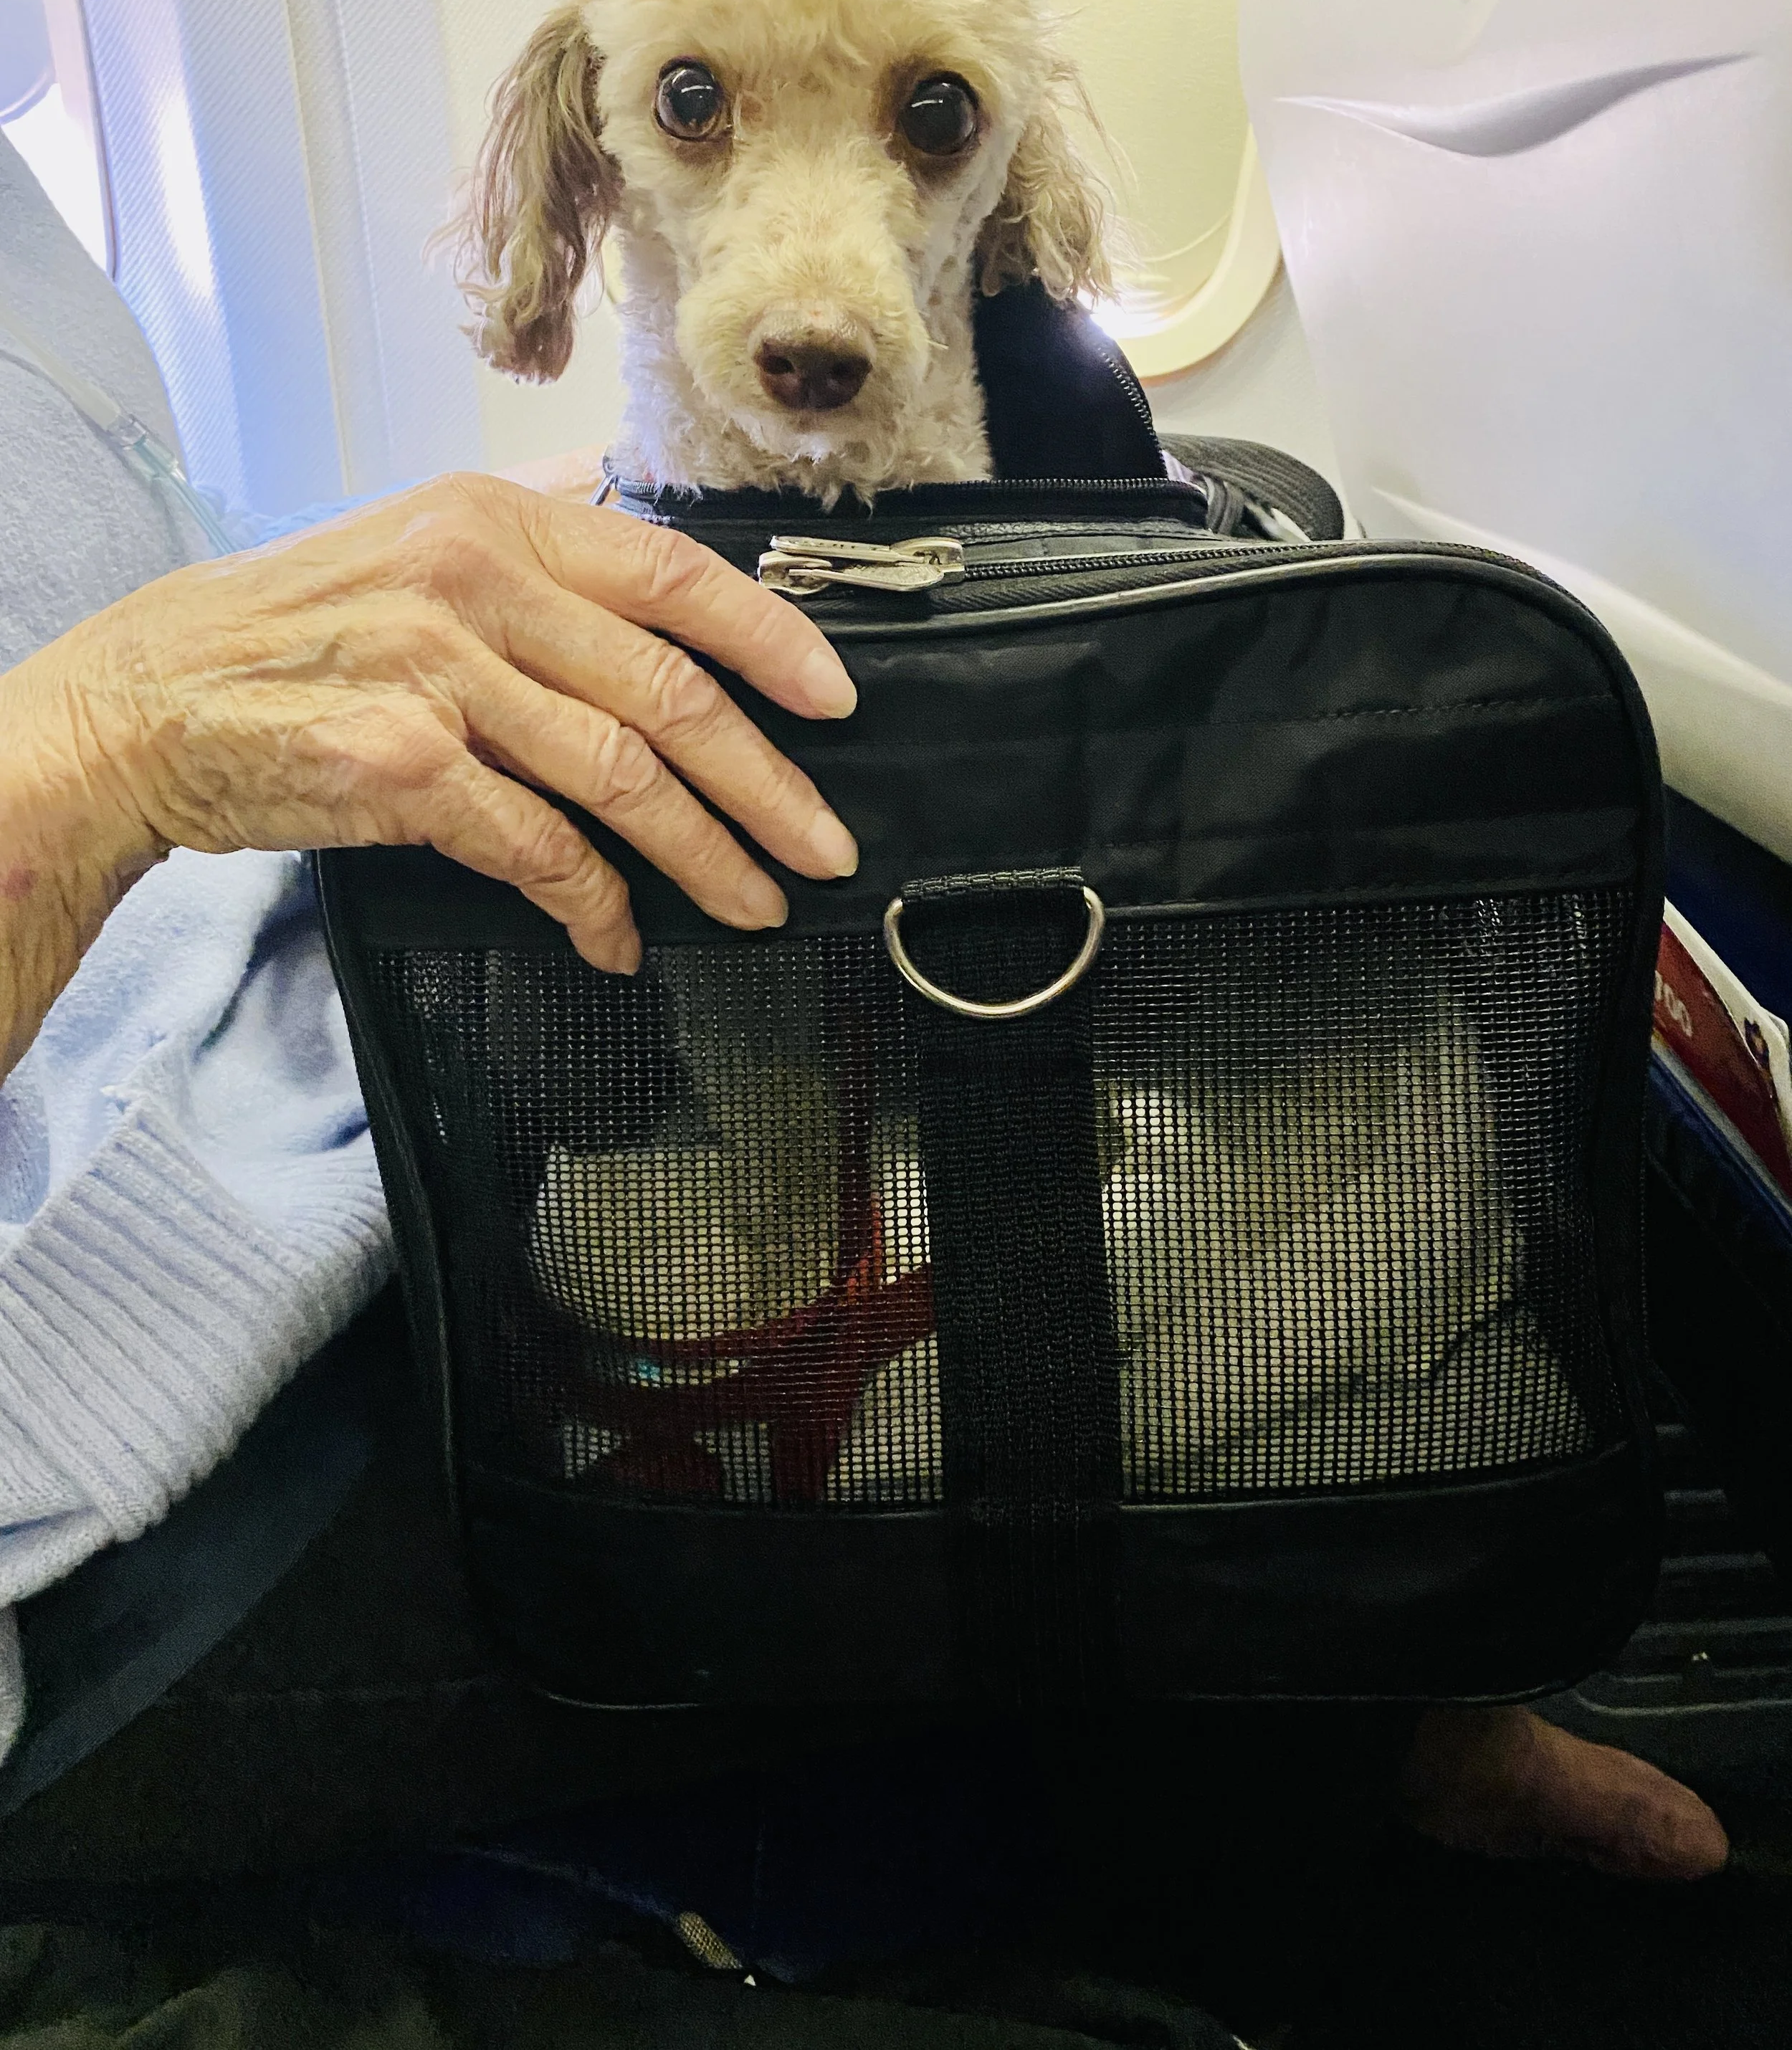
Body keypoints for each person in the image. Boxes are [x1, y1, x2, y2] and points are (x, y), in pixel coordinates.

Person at [0, 132, 1727, 1897]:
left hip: (292, 1019)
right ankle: (1397, 1689)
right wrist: (111, 730)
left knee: (1328, 837)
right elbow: (107, 681)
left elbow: (175, 557)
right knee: (1365, 1146)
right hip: (141, 1364)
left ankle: (1383, 1674)